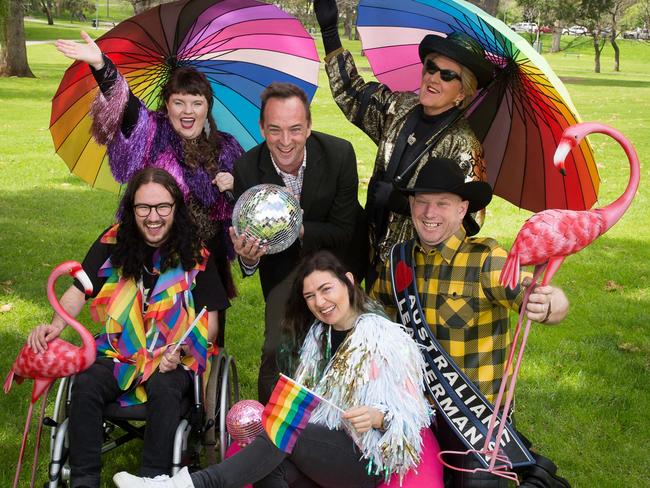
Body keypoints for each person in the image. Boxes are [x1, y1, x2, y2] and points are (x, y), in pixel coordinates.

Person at [113, 250, 431, 488]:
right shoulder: (317, 338)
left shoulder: (385, 338)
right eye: (310, 296)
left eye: (326, 289)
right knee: (269, 468)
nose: (320, 302)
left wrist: (378, 416)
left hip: (367, 459)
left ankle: (190, 485)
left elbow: (413, 416)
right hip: (323, 447)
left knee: (292, 426)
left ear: (348, 282)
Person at [371, 157, 571, 487]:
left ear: (462, 209)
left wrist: (551, 304)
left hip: (475, 418)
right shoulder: (398, 260)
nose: (430, 213)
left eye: (442, 204)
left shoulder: (485, 259)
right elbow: (374, 318)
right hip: (415, 411)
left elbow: (530, 293)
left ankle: (521, 464)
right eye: (422, 202)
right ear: (411, 204)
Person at [27, 168, 226, 487]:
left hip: (171, 356)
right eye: (143, 208)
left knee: (164, 388)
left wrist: (183, 349)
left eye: (163, 207)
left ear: (175, 207)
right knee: (87, 382)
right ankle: (84, 478)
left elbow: (210, 323)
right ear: (132, 209)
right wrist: (54, 327)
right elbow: (80, 288)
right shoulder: (114, 241)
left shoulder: (196, 254)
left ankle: (152, 479)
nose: (153, 217)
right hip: (119, 350)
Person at [55, 32, 244, 347]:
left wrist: (234, 187)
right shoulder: (151, 132)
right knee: (145, 341)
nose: (188, 111)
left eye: (196, 103)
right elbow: (126, 108)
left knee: (207, 346)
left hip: (203, 261)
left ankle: (204, 395)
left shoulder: (226, 149)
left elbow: (244, 210)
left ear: (207, 107)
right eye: (179, 102)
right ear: (166, 105)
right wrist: (102, 66)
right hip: (150, 254)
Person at [314, 0, 494, 287]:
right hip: (368, 250)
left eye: (447, 75)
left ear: (463, 92)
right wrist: (329, 32)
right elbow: (353, 95)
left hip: (416, 272)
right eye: (431, 68)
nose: (433, 78)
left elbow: (470, 219)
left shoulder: (463, 143)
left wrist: (406, 204)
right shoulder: (400, 107)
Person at [230, 82, 367, 403]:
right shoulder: (247, 169)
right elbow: (251, 250)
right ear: (262, 128)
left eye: (295, 129)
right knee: (276, 355)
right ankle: (272, 431)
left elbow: (344, 230)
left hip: (338, 268)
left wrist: (297, 227)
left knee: (348, 357)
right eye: (275, 130)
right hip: (283, 276)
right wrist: (248, 258)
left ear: (309, 126)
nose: (286, 141)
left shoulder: (339, 154)